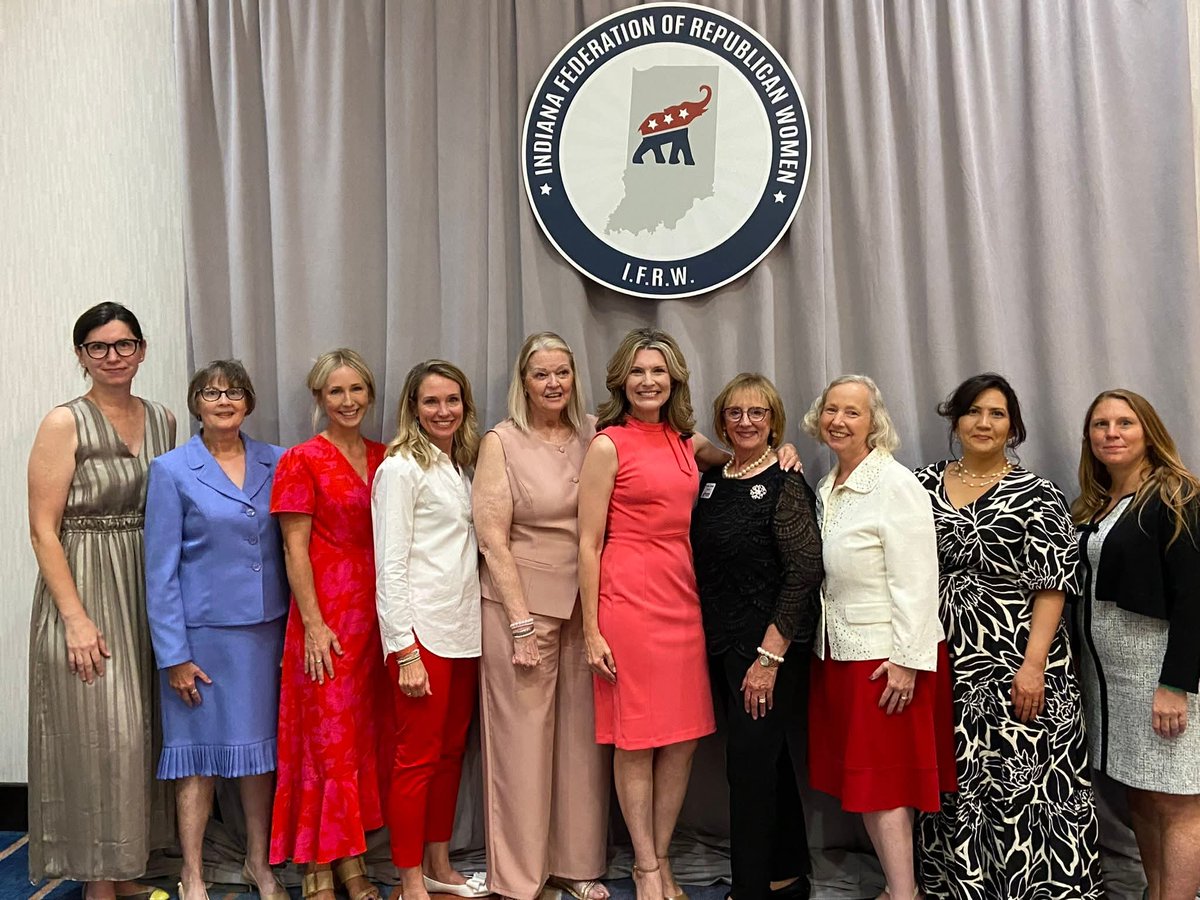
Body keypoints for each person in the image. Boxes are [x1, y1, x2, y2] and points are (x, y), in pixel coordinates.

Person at [914, 373, 1101, 899]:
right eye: (973, 411)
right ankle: (963, 885)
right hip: (946, 655)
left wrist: (1034, 664)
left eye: (997, 414)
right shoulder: (920, 484)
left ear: (1013, 427)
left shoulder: (1038, 492)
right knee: (959, 778)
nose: (984, 422)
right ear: (956, 420)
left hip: (1022, 656)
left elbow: (1053, 585)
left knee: (1028, 780)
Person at [27, 302, 176, 899]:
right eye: (98, 347)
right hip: (85, 583)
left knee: (142, 733)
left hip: (147, 583)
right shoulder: (64, 422)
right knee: (100, 732)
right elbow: (42, 528)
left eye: (124, 344)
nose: (113, 356)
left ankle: (123, 869)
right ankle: (97, 884)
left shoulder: (165, 419)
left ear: (141, 349)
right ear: (81, 355)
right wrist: (74, 618)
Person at [578, 327, 728, 900]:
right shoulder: (607, 444)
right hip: (627, 603)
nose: (648, 381)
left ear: (675, 380)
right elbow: (588, 543)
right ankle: (644, 867)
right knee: (636, 740)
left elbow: (737, 456)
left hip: (681, 601)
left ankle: (661, 857)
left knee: (684, 739)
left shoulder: (686, 442)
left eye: (658, 372)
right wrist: (592, 630)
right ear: (622, 379)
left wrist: (780, 451)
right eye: (638, 372)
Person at [801, 375, 955, 900]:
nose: (839, 421)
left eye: (853, 413)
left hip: (886, 660)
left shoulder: (895, 484)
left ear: (874, 423)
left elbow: (917, 580)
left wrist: (908, 662)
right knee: (868, 785)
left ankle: (904, 893)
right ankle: (897, 887)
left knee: (884, 785)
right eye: (831, 410)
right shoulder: (828, 485)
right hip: (841, 652)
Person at [472, 333, 611, 900]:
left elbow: (678, 439)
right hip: (519, 605)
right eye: (541, 375)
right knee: (521, 744)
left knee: (582, 745)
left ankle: (575, 866)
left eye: (562, 372)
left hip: (587, 606)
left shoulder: (594, 431)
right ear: (522, 382)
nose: (553, 384)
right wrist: (520, 622)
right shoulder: (500, 442)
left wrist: (760, 457)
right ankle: (520, 879)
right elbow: (491, 537)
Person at [144, 360, 290, 900]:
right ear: (196, 403)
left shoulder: (277, 461)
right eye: (211, 392)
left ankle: (260, 862)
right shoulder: (172, 469)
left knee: (259, 756)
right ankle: (192, 873)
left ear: (248, 401)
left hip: (264, 634)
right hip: (199, 639)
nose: (223, 400)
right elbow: (159, 573)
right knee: (198, 759)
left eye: (234, 392)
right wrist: (173, 655)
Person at [690, 373, 824, 900]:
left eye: (758, 414)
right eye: (735, 413)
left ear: (774, 421)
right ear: (722, 420)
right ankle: (787, 873)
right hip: (722, 647)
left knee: (746, 769)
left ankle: (749, 891)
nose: (746, 422)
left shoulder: (788, 483)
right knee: (767, 760)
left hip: (769, 651)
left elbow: (804, 572)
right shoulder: (715, 476)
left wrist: (768, 658)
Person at [269, 349, 392, 900]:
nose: (348, 401)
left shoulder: (385, 455)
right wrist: (314, 625)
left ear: (369, 394)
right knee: (327, 744)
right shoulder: (301, 459)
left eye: (356, 390)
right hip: (326, 619)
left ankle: (351, 860)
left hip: (379, 618)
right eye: (335, 391)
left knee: (363, 740)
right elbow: (294, 550)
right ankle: (320, 867)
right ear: (318, 398)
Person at [1072, 389, 1200, 900]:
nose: (1112, 433)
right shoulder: (1098, 503)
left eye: (1125, 423)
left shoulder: (1175, 494)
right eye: (1101, 424)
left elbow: (1194, 599)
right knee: (1143, 797)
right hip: (1111, 681)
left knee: (1179, 801)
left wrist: (1175, 684)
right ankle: (1157, 891)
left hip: (1159, 674)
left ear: (1148, 431)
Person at [372, 360, 487, 900]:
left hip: (464, 633)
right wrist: (405, 649)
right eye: (431, 402)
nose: (443, 411)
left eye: (452, 401)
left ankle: (439, 864)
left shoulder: (460, 468)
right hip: (421, 637)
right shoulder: (400, 469)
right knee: (414, 761)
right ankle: (409, 880)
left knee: (448, 756)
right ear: (412, 409)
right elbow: (389, 566)